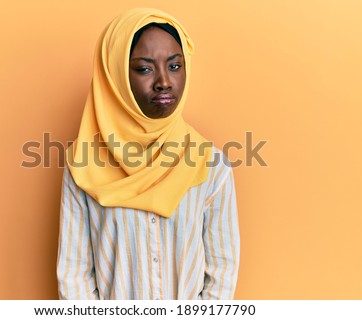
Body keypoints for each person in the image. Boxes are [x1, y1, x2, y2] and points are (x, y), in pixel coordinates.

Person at [57, 8, 240, 300]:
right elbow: (73, 276)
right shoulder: (84, 166)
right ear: (115, 76)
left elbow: (222, 273)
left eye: (175, 66)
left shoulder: (211, 165)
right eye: (144, 68)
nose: (164, 81)